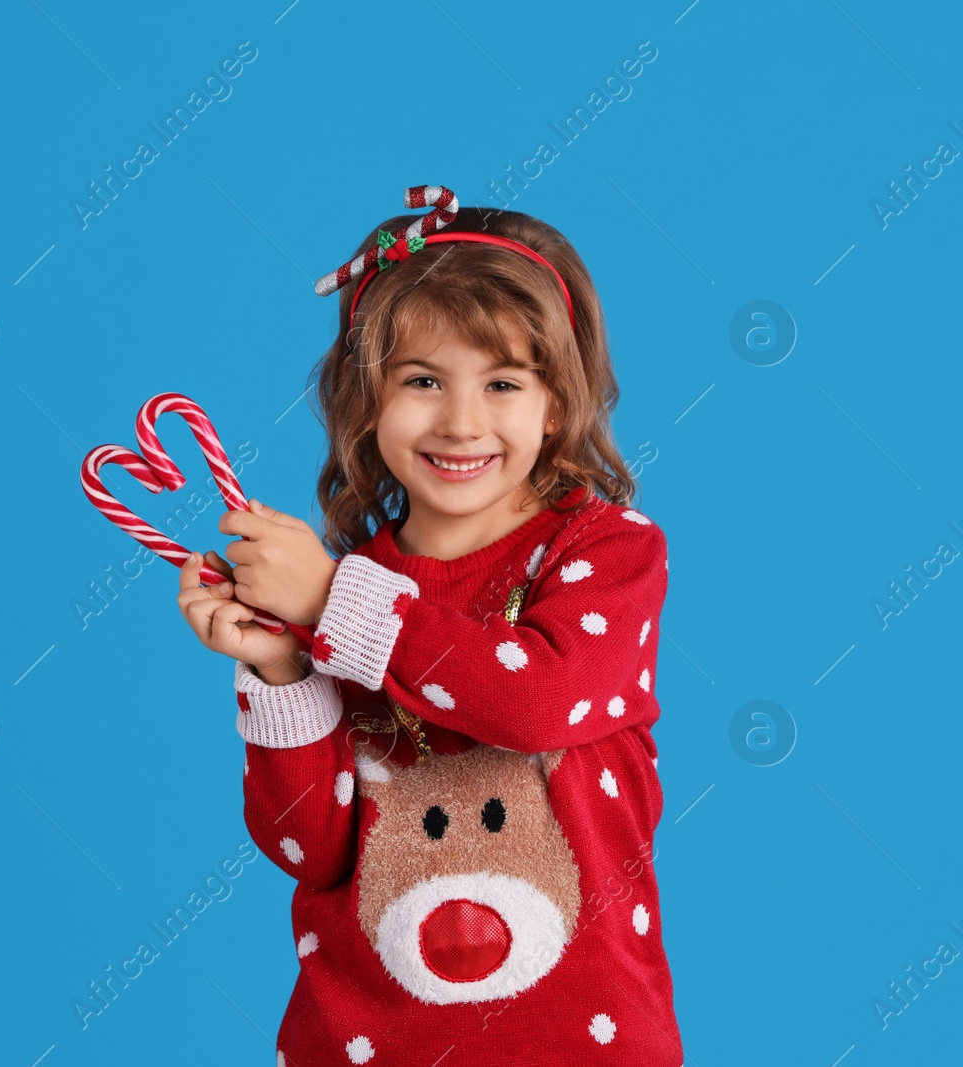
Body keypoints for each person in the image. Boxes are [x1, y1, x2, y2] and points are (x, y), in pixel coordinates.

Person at [176, 187, 683, 1065]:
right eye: (421, 380)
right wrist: (281, 671)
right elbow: (310, 845)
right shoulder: (347, 585)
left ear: (556, 403)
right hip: (366, 1043)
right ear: (366, 398)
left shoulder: (607, 553)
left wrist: (331, 600)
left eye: (502, 382)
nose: (460, 420)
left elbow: (538, 699)